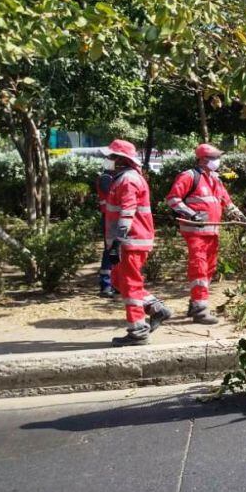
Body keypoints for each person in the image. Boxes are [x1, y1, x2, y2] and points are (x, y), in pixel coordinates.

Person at [165, 143, 246, 324]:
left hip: (213, 231)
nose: (217, 161)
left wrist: (242, 218)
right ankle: (200, 310)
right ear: (203, 159)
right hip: (196, 232)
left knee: (209, 268)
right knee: (199, 268)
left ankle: (195, 304)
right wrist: (192, 214)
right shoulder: (189, 176)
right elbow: (172, 199)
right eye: (214, 158)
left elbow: (227, 202)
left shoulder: (215, 179)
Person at [103, 139, 171, 347]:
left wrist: (118, 240)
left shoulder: (128, 180)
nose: (108, 161)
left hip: (129, 241)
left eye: (112, 157)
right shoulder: (123, 178)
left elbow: (127, 211)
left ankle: (138, 331)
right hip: (127, 240)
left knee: (130, 285)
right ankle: (155, 307)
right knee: (118, 281)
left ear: (121, 159)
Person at [95, 157, 117, 298]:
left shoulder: (109, 177)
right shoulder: (106, 178)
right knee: (110, 250)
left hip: (113, 216)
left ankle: (114, 283)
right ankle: (106, 285)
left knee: (116, 250)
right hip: (109, 217)